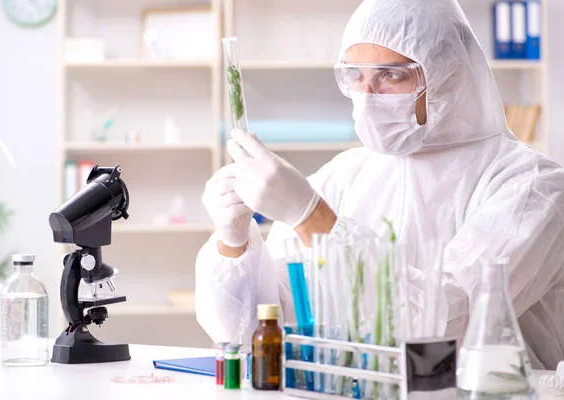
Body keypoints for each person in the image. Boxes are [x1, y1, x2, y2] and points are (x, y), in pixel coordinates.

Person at [196, 0, 564, 370]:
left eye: (392, 75)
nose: (368, 95)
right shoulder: (344, 173)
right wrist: (234, 243)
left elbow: (446, 327)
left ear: (447, 75)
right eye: (355, 75)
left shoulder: (531, 186)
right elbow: (255, 334)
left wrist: (313, 219)